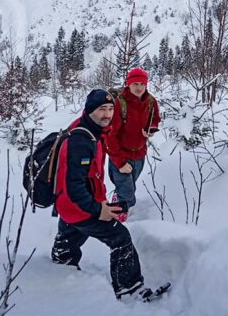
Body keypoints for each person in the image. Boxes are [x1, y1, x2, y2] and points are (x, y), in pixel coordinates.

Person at [51, 89, 147, 299]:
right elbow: (74, 186)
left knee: (70, 237)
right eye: (102, 109)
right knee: (121, 238)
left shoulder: (89, 129)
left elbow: (89, 176)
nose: (107, 114)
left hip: (67, 205)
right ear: (89, 110)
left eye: (111, 109)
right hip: (79, 206)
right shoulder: (81, 140)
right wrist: (98, 209)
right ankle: (129, 288)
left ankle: (59, 268)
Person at [105, 67, 161, 221]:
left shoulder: (150, 101)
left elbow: (155, 118)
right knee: (128, 192)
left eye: (142, 84)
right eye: (135, 84)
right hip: (121, 154)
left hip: (139, 154)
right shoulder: (119, 104)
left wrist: (151, 129)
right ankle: (118, 215)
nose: (139, 87)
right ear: (128, 84)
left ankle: (120, 198)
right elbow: (110, 136)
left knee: (130, 184)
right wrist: (120, 161)